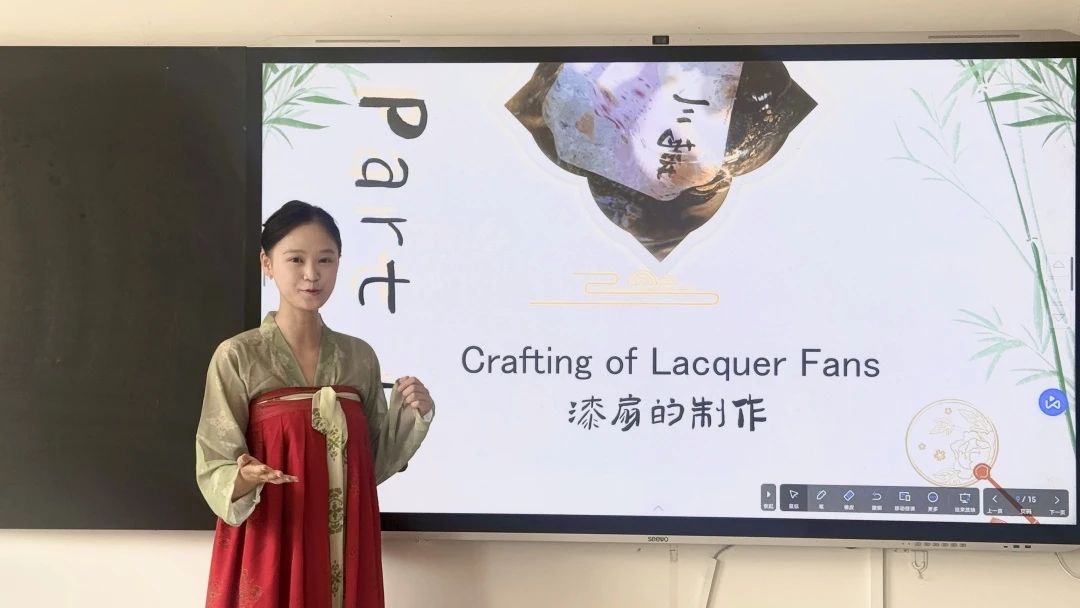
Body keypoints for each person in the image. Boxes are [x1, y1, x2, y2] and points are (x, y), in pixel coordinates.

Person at [195, 200, 434, 608]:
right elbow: (214, 459)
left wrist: (412, 416)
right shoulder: (238, 356)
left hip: (347, 541)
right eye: (296, 259)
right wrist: (244, 477)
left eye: (326, 259)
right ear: (267, 264)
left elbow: (370, 463)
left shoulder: (359, 358)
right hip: (273, 540)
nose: (312, 274)